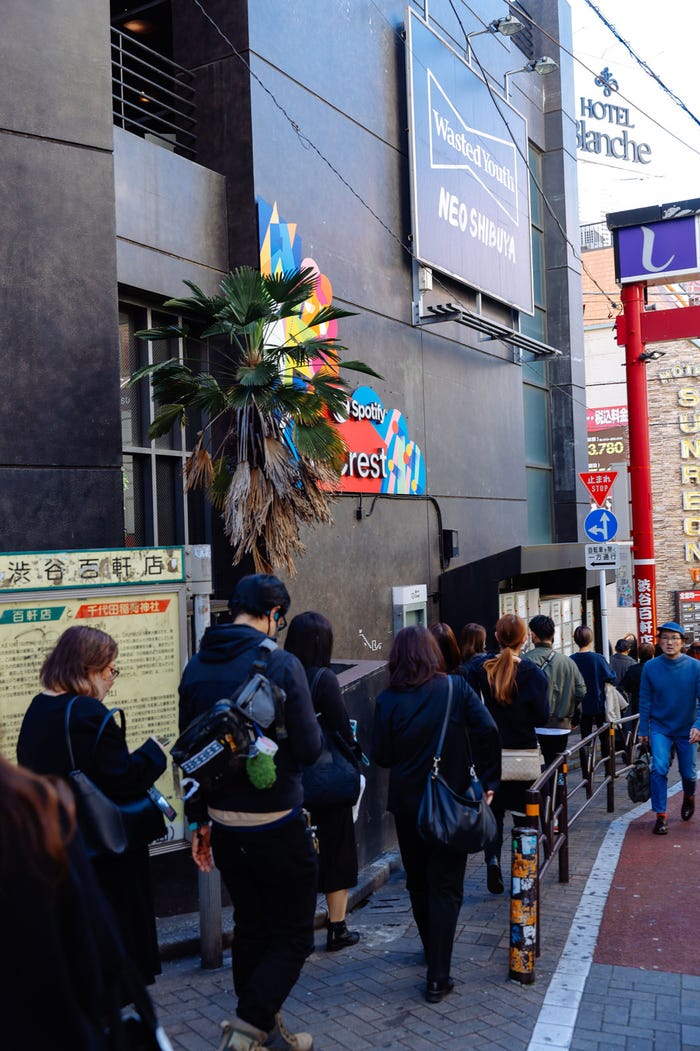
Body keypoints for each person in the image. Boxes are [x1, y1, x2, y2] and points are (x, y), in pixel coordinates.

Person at [178, 573, 323, 1051]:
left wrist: (199, 821)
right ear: (275, 616)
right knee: (295, 932)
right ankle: (244, 1032)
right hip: (276, 823)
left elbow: (192, 757)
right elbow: (308, 747)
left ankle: (265, 1033)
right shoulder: (280, 663)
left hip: (222, 823)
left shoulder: (196, 667)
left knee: (253, 925)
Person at [16, 625, 168, 986]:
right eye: (110, 670)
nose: (112, 679)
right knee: (116, 936)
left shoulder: (39, 708)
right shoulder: (88, 713)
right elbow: (124, 778)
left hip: (61, 842)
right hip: (106, 848)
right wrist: (154, 754)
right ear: (88, 670)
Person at [372, 626, 500, 1004]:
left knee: (419, 883)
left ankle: (432, 952)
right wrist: (488, 779)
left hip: (409, 806)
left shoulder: (387, 700)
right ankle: (437, 976)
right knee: (446, 888)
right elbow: (488, 729)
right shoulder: (455, 689)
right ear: (433, 655)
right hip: (451, 801)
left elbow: (381, 755)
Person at [285, 610, 360, 953]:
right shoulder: (323, 679)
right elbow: (342, 728)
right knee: (336, 851)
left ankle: (298, 931)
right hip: (326, 780)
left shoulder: (281, 673)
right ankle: (337, 928)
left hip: (288, 780)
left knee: (295, 858)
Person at [466, 615, 549, 896]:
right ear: (524, 639)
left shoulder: (479, 669)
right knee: (525, 817)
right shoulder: (532, 673)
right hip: (522, 756)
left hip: (489, 757)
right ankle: (521, 872)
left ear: (497, 636)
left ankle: (492, 860)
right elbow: (542, 716)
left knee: (493, 814)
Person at [639, 621, 700, 835]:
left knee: (689, 774)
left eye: (674, 638)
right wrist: (643, 731)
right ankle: (660, 815)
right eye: (664, 637)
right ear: (658, 642)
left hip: (687, 729)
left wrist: (698, 725)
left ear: (683, 642)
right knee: (659, 768)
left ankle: (689, 796)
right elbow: (645, 700)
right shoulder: (650, 667)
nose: (669, 642)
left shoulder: (695, 667)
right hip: (660, 727)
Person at [524, 615, 586, 768]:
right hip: (561, 725)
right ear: (553, 635)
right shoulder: (567, 662)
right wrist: (574, 714)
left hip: (534, 725)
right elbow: (581, 691)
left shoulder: (525, 661)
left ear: (533, 635)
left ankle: (543, 791)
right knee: (558, 764)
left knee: (538, 768)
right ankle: (560, 789)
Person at [570, 625, 616, 771]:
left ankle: (586, 773)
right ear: (590, 640)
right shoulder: (598, 658)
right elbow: (612, 677)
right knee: (604, 738)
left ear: (575, 640)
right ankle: (609, 770)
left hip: (581, 706)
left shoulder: (571, 660)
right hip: (599, 703)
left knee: (585, 741)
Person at [620, 642, 655, 717]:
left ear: (639, 655)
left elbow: (626, 687)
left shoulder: (632, 669)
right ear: (652, 655)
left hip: (638, 705)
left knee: (637, 727)